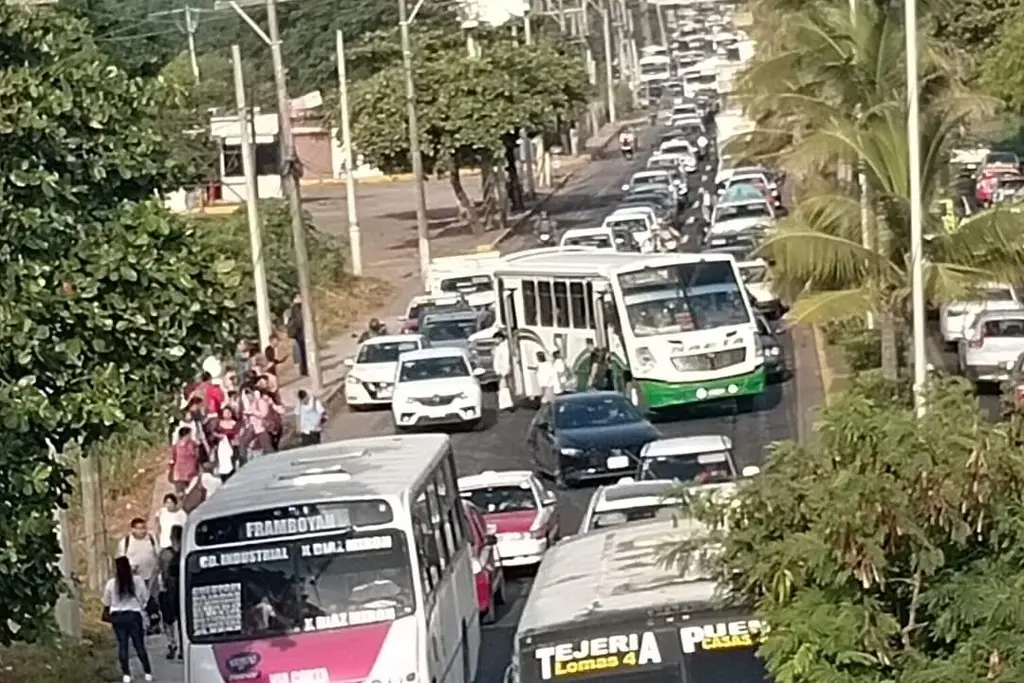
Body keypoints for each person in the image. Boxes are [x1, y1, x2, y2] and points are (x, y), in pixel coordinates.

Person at [102, 556, 153, 683]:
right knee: (139, 644)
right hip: (133, 615)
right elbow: (145, 598)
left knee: (122, 644)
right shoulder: (137, 581)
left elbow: (106, 602)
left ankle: (126, 675)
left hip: (117, 617)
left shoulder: (111, 584)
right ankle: (147, 672)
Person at [116, 518, 161, 634]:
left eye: (143, 528)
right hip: (134, 578)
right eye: (139, 528)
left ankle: (154, 623)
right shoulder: (125, 542)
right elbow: (121, 559)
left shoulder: (151, 539)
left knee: (152, 600)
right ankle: (140, 625)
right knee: (138, 601)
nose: (141, 531)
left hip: (151, 576)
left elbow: (158, 555)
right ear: (132, 529)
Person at [158, 525, 184, 660]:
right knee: (181, 619)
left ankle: (172, 643)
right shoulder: (186, 552)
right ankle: (181, 646)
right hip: (180, 588)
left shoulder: (165, 554)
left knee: (170, 619)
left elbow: (161, 572)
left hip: (170, 588)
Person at [168, 426, 199, 496]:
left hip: (191, 473)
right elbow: (173, 459)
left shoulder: (193, 444)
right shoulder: (176, 446)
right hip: (180, 474)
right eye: (189, 434)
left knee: (192, 493)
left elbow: (197, 456)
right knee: (180, 494)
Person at [285, 294, 308, 376]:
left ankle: (303, 369)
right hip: (300, 332)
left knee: (300, 351)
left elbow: (287, 322)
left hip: (296, 332)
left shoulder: (290, 310)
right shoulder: (298, 308)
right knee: (303, 351)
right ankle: (304, 369)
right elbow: (300, 321)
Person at [492, 330, 513, 412]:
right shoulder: (499, 347)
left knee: (503, 388)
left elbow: (505, 360)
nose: (495, 341)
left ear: (500, 338)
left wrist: (503, 371)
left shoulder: (503, 347)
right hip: (501, 371)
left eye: (496, 339)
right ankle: (505, 404)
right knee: (502, 387)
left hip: (502, 371)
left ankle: (506, 404)